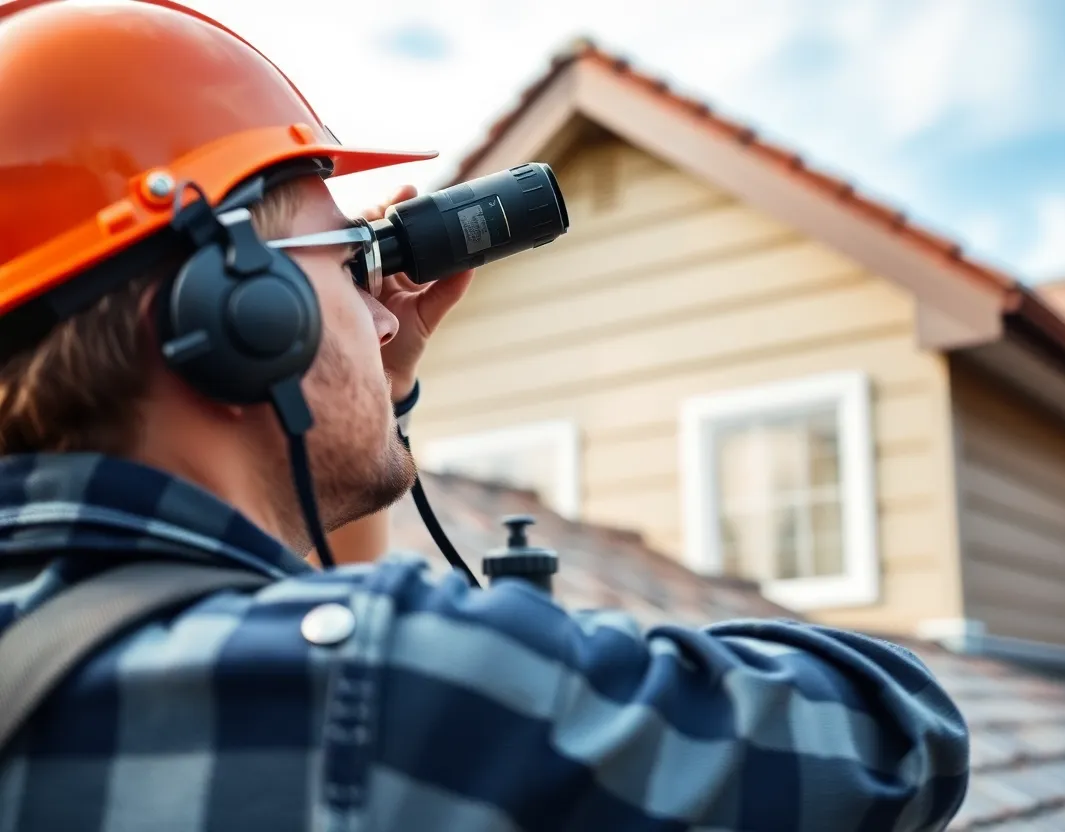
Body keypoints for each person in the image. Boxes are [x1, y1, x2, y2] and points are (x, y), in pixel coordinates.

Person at [0, 1, 970, 830]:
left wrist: (372, 392)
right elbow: (898, 728)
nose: (383, 314)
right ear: (234, 316)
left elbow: (262, 592)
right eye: (347, 263)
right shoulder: (399, 684)